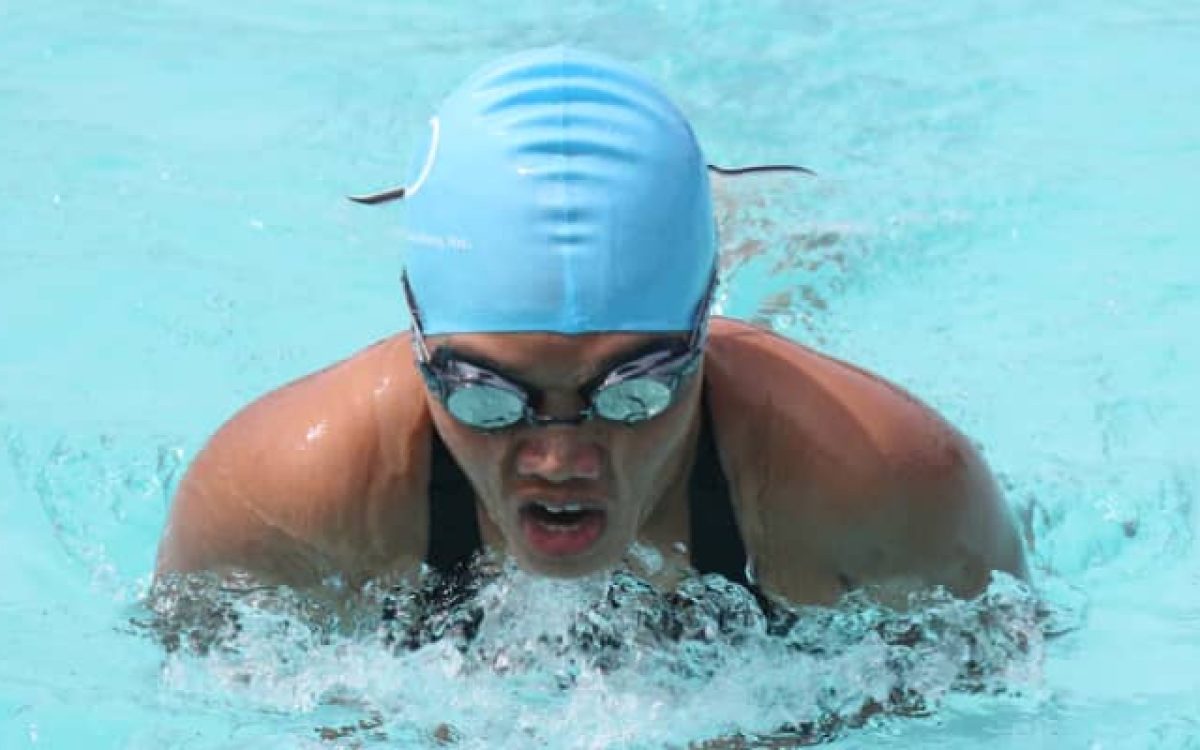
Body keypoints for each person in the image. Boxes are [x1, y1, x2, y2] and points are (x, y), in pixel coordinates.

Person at [155, 47, 1027, 608]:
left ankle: (789, 247)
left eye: (633, 388)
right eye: (487, 394)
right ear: (417, 340)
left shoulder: (891, 487)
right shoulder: (273, 502)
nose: (561, 457)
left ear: (698, 338)